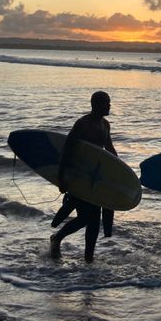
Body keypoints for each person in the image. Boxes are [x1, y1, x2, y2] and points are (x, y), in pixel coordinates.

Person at [50, 91, 117, 262]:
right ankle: (57, 238)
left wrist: (120, 172)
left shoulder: (105, 125)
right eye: (106, 103)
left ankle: (89, 258)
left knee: (94, 220)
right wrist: (61, 178)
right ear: (95, 104)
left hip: (95, 179)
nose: (109, 105)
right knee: (86, 218)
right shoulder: (82, 124)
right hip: (79, 177)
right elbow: (67, 150)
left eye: (109, 102)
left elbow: (109, 149)